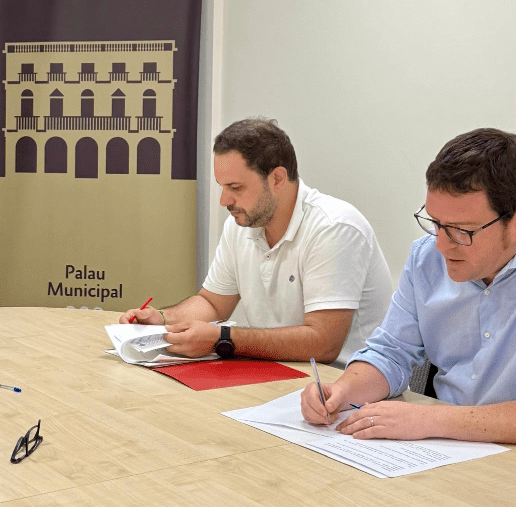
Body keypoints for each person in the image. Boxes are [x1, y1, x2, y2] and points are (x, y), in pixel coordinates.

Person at [301, 127, 516, 443]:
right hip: (446, 449)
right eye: (436, 223)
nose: (441, 245)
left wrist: (434, 420)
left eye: (462, 230)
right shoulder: (426, 259)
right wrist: (342, 391)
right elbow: (391, 353)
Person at [120, 117, 392, 366]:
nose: (224, 201)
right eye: (222, 186)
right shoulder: (240, 225)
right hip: (276, 375)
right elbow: (213, 304)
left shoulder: (334, 227)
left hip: (344, 387)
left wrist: (223, 338)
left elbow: (323, 344)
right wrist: (163, 320)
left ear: (277, 179)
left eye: (235, 188)